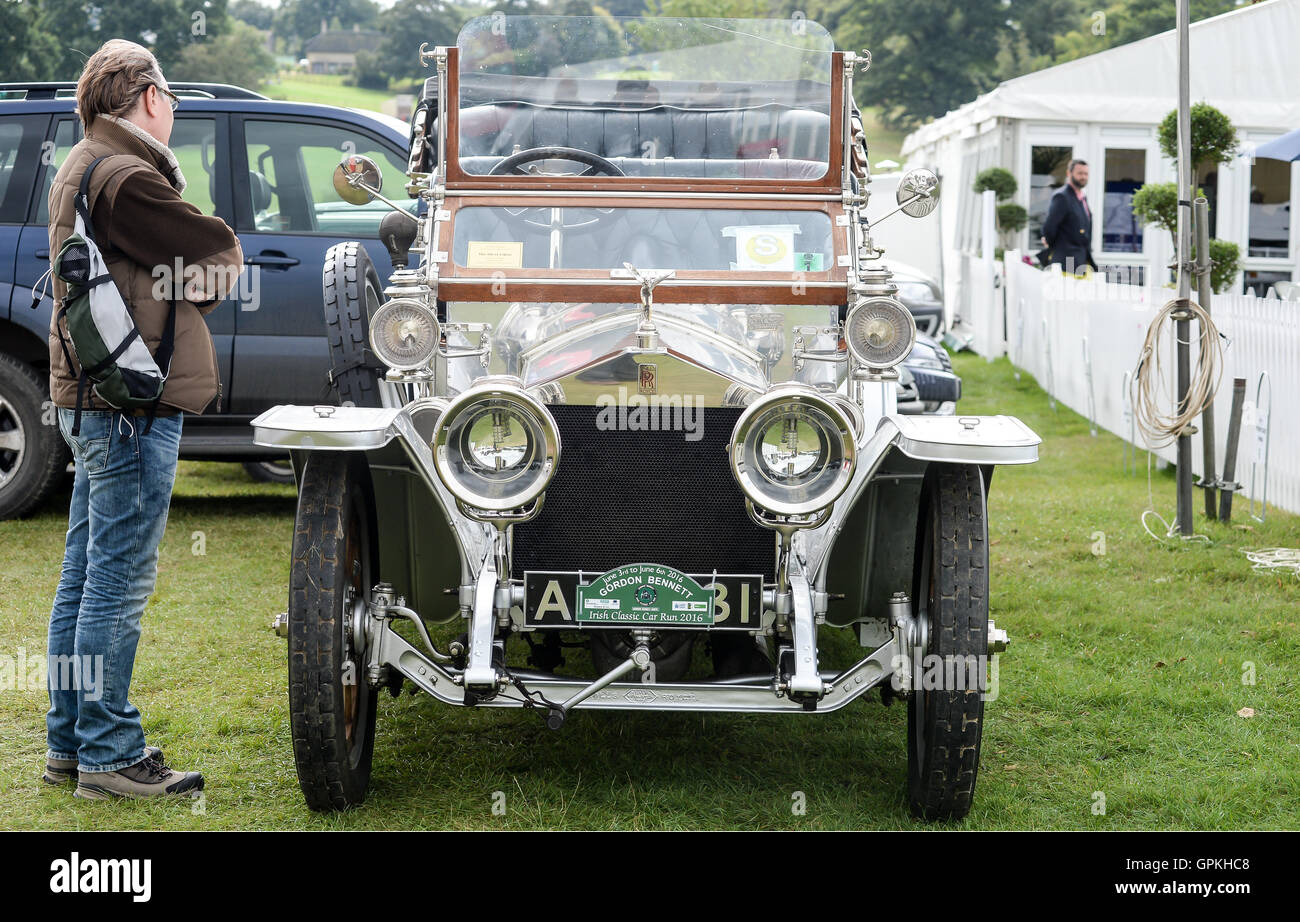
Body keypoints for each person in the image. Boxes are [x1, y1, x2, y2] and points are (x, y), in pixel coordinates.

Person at [43, 39, 244, 799]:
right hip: (129, 407)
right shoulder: (129, 176)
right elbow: (218, 254)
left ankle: (71, 745)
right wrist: (208, 268)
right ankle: (108, 752)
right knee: (115, 584)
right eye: (172, 95)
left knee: (83, 579)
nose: (177, 109)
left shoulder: (83, 161)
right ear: (150, 96)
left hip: (88, 400)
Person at [1039, 159, 1098, 274]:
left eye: (1086, 174)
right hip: (1066, 262)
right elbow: (1049, 228)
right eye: (1080, 173)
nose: (1083, 177)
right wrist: (1056, 245)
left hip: (1081, 262)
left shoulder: (1082, 197)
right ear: (1069, 173)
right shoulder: (1062, 197)